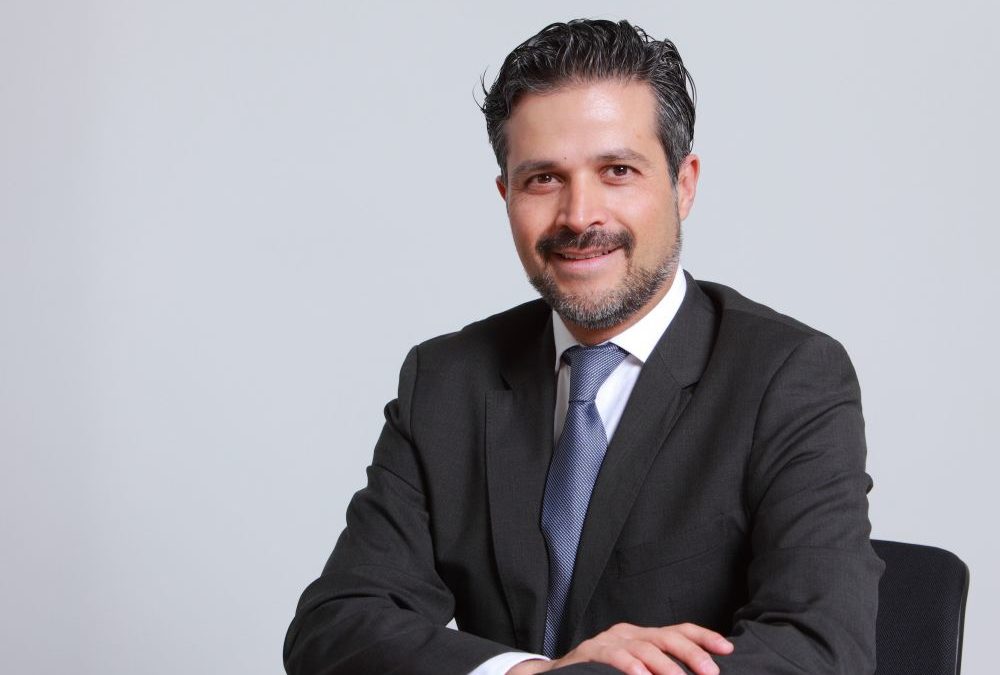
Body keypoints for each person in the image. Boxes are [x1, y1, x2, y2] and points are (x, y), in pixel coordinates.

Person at [284, 18, 883, 675]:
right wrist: (529, 672)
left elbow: (817, 649)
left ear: (684, 183)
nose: (579, 215)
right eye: (543, 179)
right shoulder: (447, 380)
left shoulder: (787, 378)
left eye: (617, 171)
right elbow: (334, 627)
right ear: (506, 195)